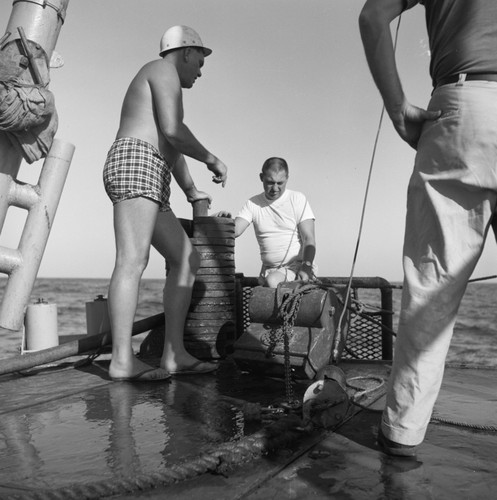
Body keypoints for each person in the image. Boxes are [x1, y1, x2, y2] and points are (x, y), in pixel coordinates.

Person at [359, 0, 497, 456]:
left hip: (463, 107)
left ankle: (402, 432)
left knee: (432, 288)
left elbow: (373, 16)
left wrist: (398, 109)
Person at [103, 25, 228, 382]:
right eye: (200, 62)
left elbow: (170, 146)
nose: (201, 71)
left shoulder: (168, 84)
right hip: (136, 162)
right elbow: (174, 131)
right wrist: (212, 158)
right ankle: (122, 360)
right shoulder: (161, 70)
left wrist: (192, 191)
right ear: (187, 51)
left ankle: (174, 354)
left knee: (187, 257)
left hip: (154, 170)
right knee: (133, 259)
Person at [218, 157, 317, 288]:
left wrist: (307, 266)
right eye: (270, 182)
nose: (275, 188)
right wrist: (222, 221)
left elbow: (308, 238)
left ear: (287, 178)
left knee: (272, 281)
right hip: (268, 270)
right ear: (261, 177)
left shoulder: (297, 199)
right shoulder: (253, 203)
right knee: (268, 284)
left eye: (280, 183)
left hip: (297, 267)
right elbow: (235, 230)